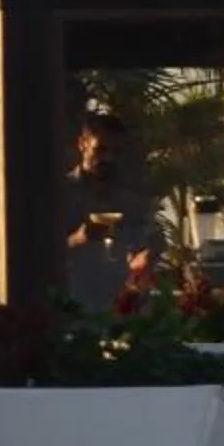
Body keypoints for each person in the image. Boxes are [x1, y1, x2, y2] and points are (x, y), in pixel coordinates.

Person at [67, 106, 159, 307]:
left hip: (122, 307)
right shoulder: (61, 194)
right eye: (101, 150)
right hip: (75, 305)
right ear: (82, 144)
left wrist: (147, 255)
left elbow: (148, 242)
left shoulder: (131, 199)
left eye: (116, 152)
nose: (108, 158)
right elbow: (36, 255)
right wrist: (77, 238)